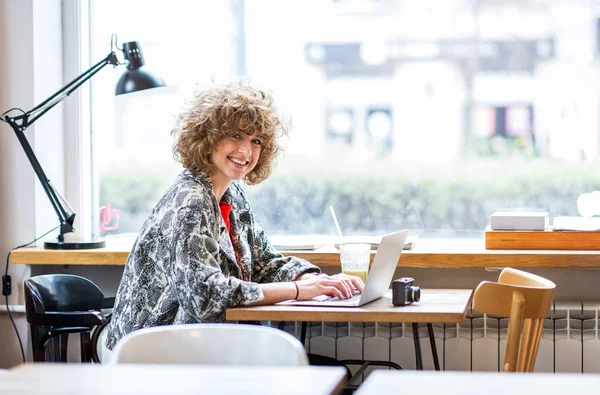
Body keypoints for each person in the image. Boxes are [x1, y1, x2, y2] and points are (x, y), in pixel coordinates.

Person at [105, 81, 364, 350]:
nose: (246, 151)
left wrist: (311, 280)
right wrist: (298, 291)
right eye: (236, 136)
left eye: (256, 141)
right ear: (207, 138)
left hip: (200, 345)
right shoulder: (190, 201)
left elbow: (264, 264)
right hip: (154, 352)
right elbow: (204, 297)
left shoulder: (232, 196)